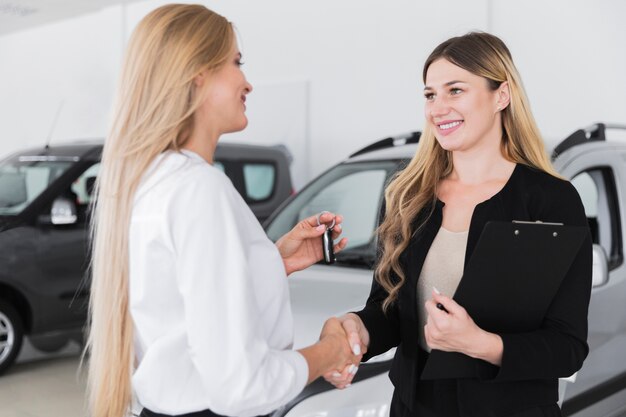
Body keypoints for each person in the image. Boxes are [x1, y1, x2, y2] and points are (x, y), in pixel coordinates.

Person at [85, 5, 359, 417]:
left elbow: (177, 308)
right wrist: (330, 352)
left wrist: (271, 260)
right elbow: (241, 387)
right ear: (197, 72)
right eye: (236, 62)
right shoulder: (198, 188)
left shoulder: (148, 182)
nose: (246, 82)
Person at [325, 32, 592, 417]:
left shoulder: (551, 201)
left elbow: (567, 348)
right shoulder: (406, 197)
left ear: (501, 95)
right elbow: (388, 312)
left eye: (455, 90)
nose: (438, 108)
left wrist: (479, 343)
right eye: (430, 94)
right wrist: (354, 328)